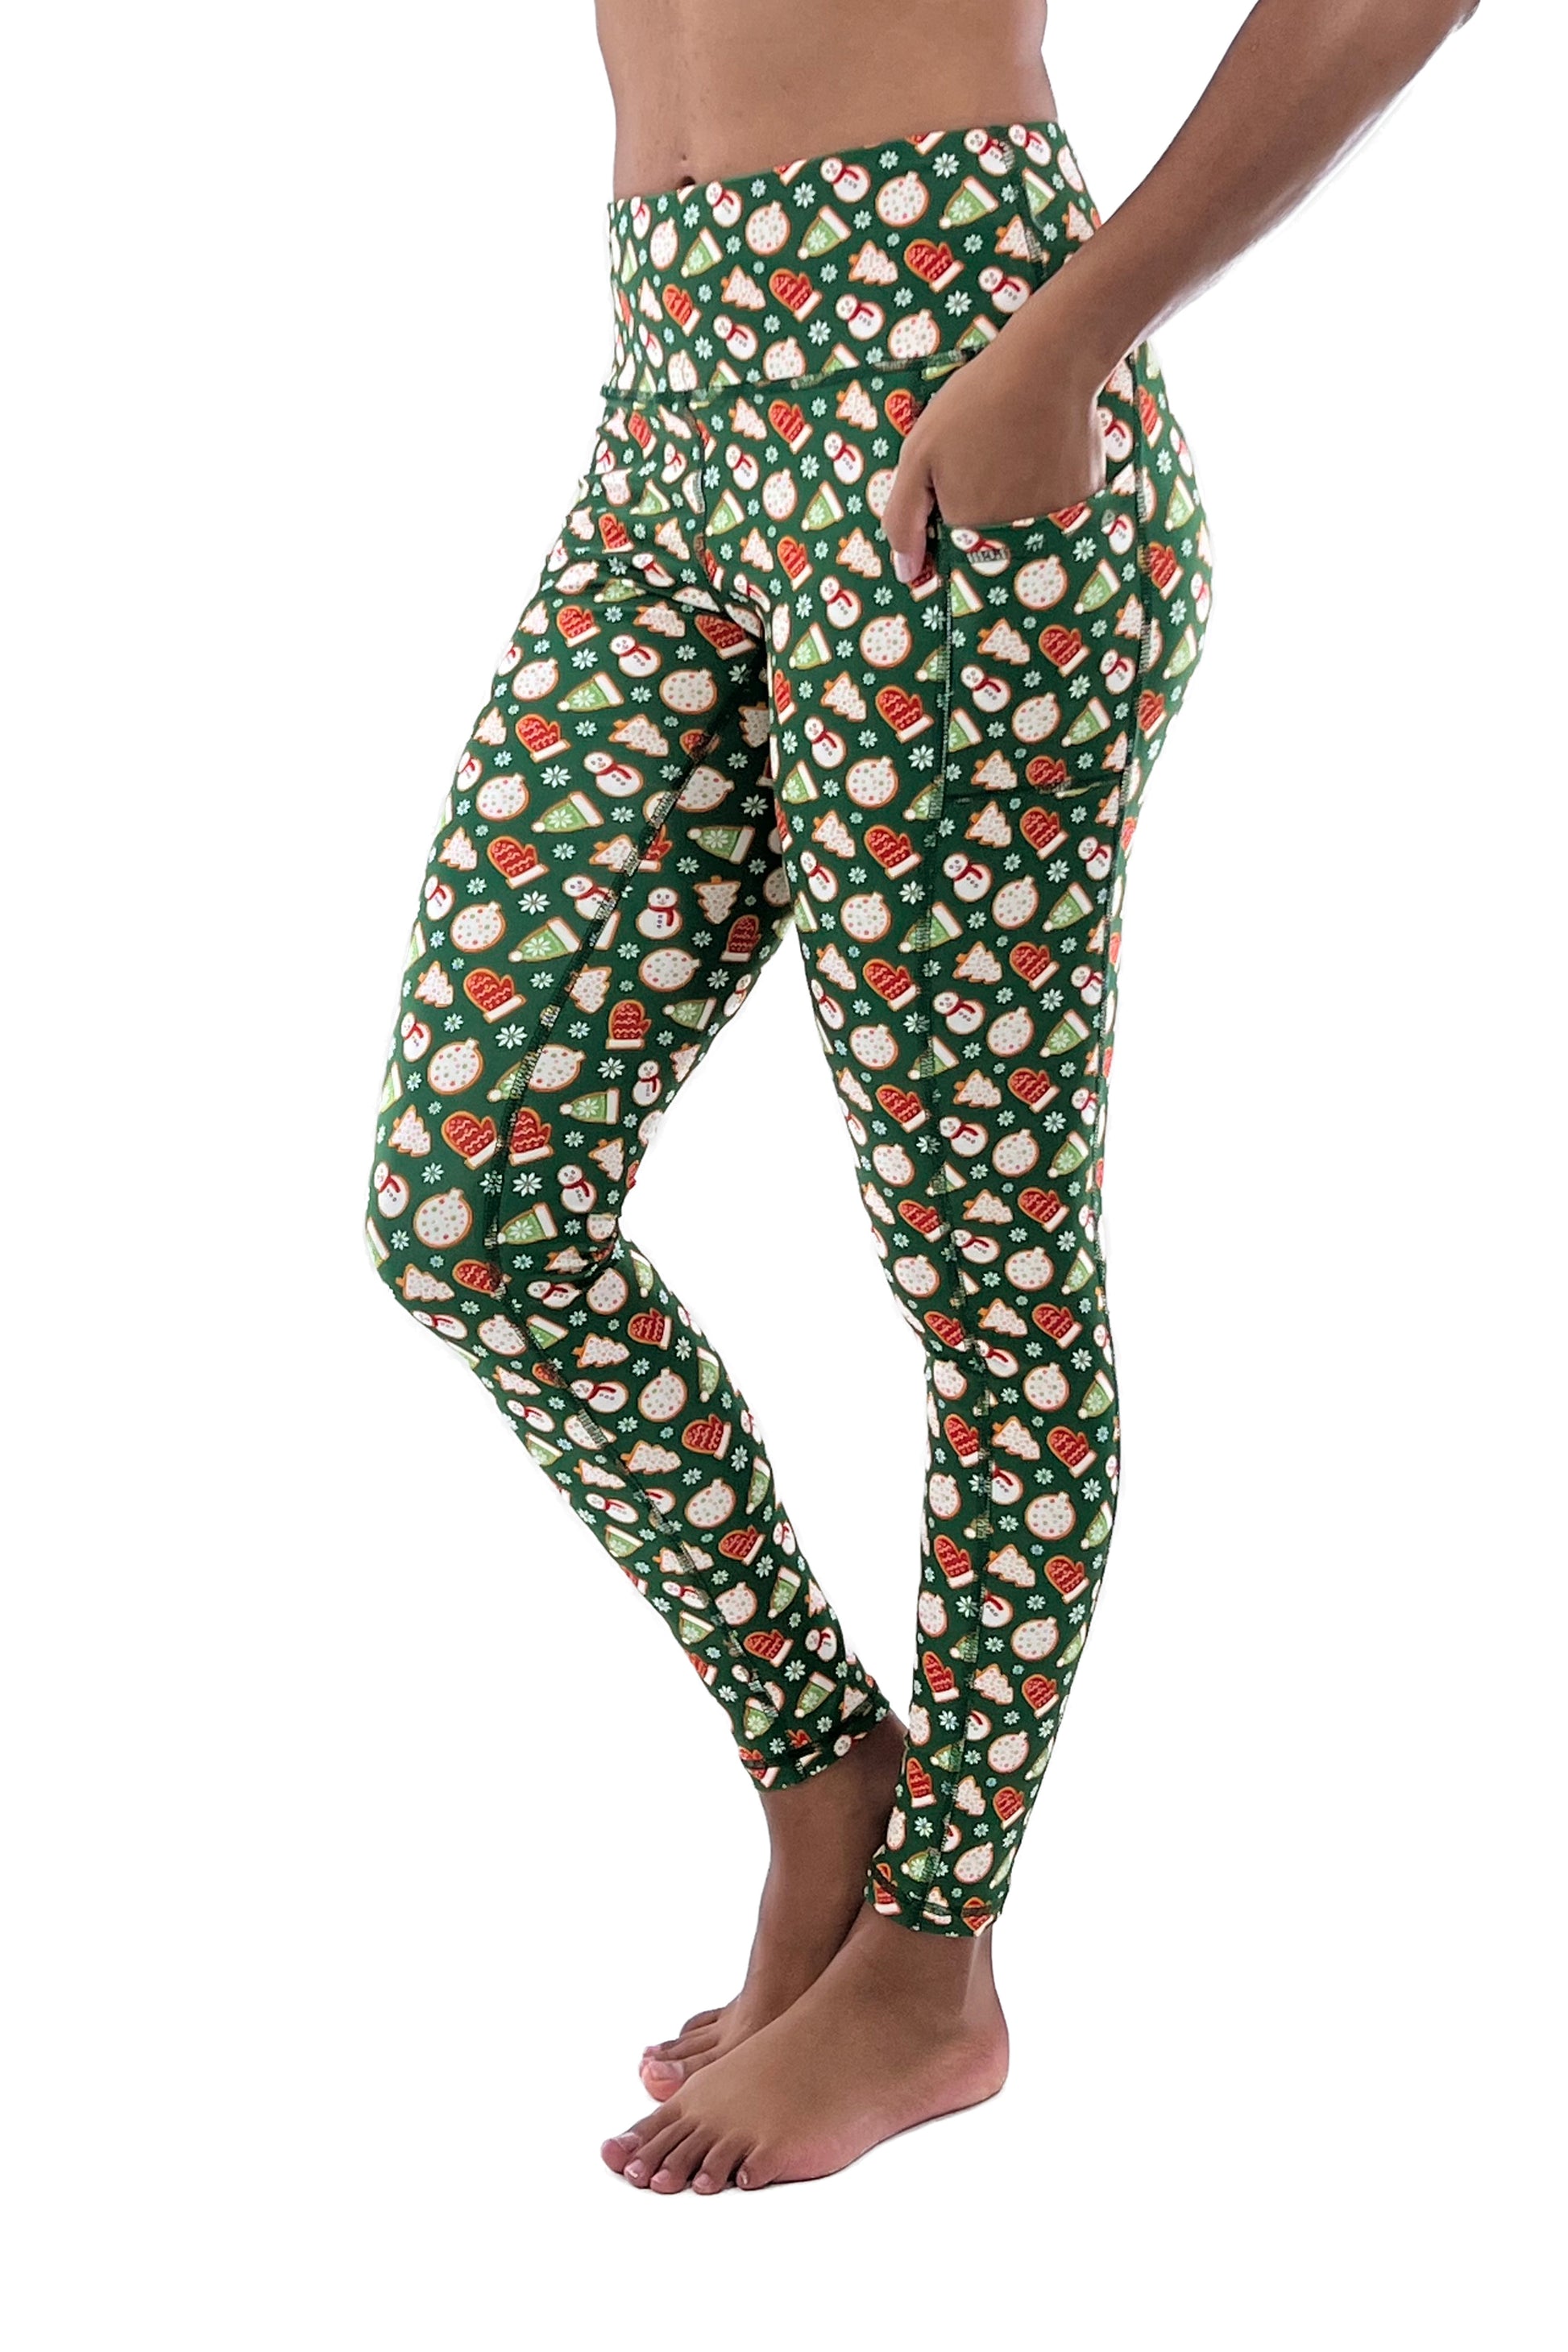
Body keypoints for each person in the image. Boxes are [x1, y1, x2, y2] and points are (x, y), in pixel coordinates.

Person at [364, 0, 1479, 2194]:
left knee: (984, 1274)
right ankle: (826, 1773)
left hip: (952, 383)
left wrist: (1069, 338)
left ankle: (935, 1958)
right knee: (470, 1212)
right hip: (666, 425)